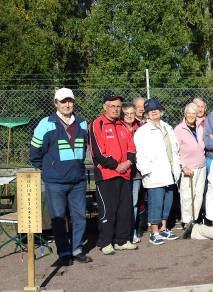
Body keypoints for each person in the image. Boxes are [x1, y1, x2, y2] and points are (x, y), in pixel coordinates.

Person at [30, 87, 92, 266]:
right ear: (56, 103)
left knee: (79, 216)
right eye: (63, 101)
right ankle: (64, 252)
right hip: (55, 181)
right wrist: (48, 169)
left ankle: (77, 249)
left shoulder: (81, 123)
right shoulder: (45, 123)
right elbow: (35, 152)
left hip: (78, 179)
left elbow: (85, 148)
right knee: (58, 218)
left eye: (70, 100)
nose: (67, 104)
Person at [89, 95, 139, 254]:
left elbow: (132, 148)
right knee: (108, 210)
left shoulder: (123, 125)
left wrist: (128, 163)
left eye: (118, 106)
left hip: (125, 174)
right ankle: (105, 242)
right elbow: (97, 152)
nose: (116, 109)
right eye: (112, 106)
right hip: (107, 175)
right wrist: (116, 165)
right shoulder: (97, 124)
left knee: (124, 209)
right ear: (105, 106)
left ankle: (122, 240)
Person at [134, 99, 181, 245]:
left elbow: (175, 149)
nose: (154, 112)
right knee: (156, 202)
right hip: (154, 173)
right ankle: (154, 232)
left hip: (169, 171)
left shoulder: (167, 127)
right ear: (147, 114)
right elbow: (139, 154)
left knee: (168, 201)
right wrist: (147, 171)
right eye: (151, 111)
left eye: (156, 109)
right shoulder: (143, 131)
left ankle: (164, 228)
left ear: (161, 111)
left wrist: (176, 167)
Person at [174, 103, 206, 228]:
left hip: (201, 166)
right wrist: (182, 166)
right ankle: (186, 221)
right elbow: (175, 151)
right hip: (188, 168)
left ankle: (195, 219)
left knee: (198, 195)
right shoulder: (179, 129)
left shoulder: (200, 128)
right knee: (187, 196)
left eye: (194, 113)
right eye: (189, 113)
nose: (191, 115)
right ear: (185, 114)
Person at [121, 103, 144, 243]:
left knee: (134, 203)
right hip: (122, 170)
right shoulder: (118, 127)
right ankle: (122, 231)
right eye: (126, 113)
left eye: (131, 113)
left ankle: (133, 231)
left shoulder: (140, 127)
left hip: (136, 172)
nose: (129, 116)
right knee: (123, 203)